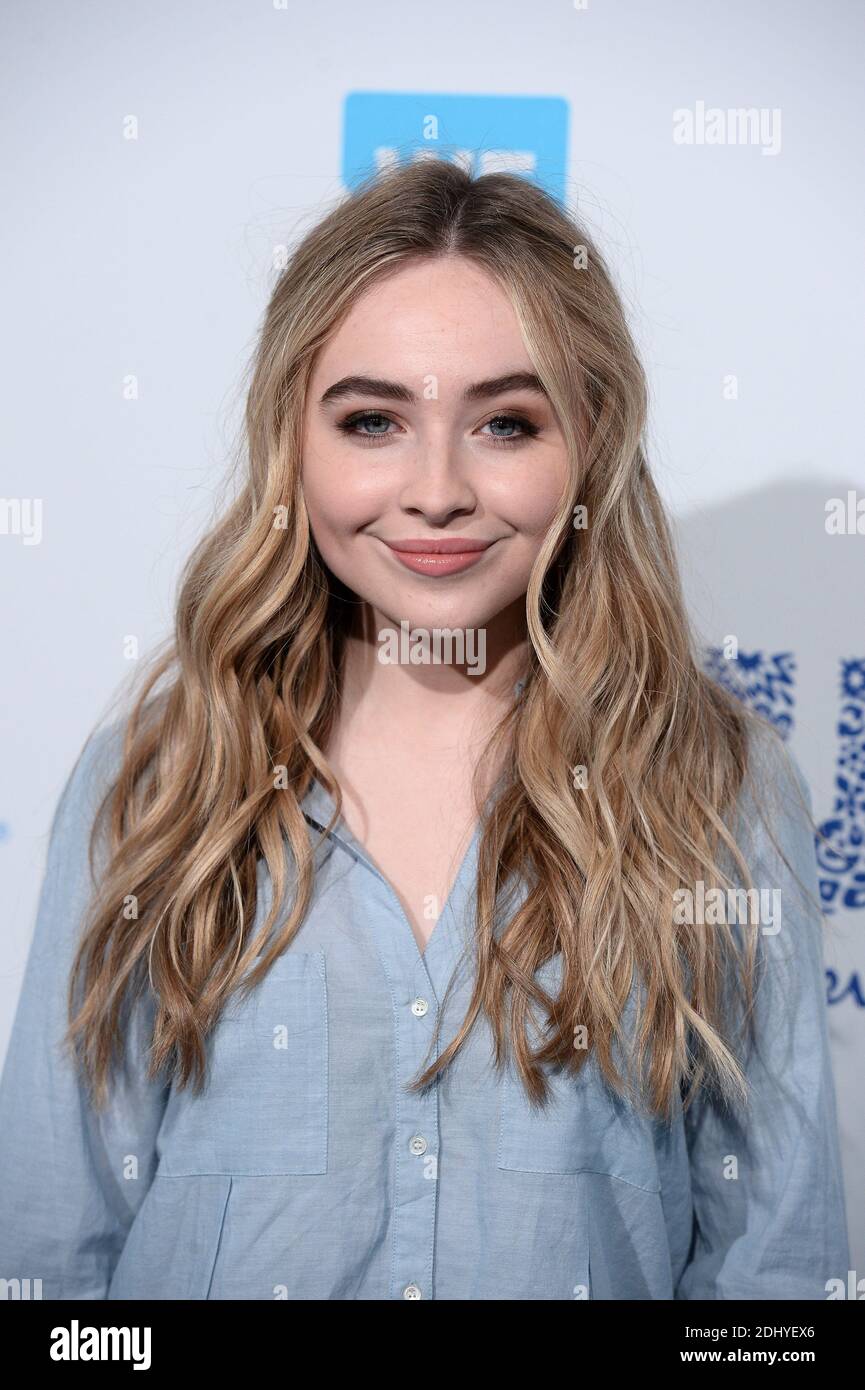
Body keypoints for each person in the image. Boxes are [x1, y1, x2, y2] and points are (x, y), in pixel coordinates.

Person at [0, 159, 849, 1300]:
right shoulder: (155, 778)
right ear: (292, 444)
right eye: (372, 420)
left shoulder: (716, 785)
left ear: (588, 445)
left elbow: (775, 1276)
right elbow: (52, 1253)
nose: (437, 489)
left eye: (504, 422)